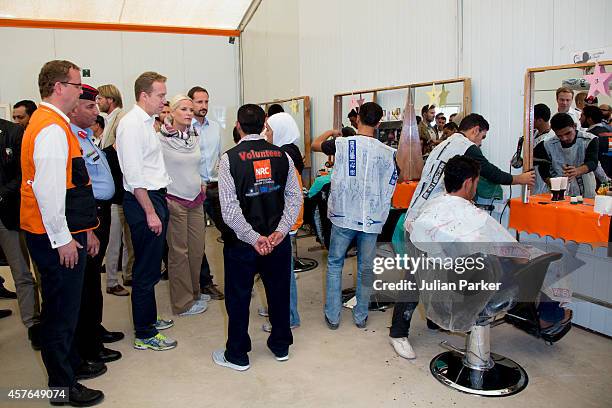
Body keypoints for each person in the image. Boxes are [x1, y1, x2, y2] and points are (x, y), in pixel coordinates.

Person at [388, 114, 535, 356]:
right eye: (482, 137)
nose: (481, 144)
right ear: (475, 131)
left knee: (433, 271)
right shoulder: (466, 146)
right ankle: (398, 332)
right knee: (416, 276)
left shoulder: (444, 143)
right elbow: (489, 171)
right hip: (428, 221)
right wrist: (518, 179)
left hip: (426, 216)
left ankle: (434, 320)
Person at [20, 60, 104, 406]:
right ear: (59, 88)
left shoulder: (51, 124)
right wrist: (64, 239)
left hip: (52, 231)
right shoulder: (51, 128)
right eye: (75, 84)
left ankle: (69, 368)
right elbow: (49, 191)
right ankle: (62, 386)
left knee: (63, 308)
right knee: (60, 313)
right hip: (53, 235)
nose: (80, 90)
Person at [213, 104, 302, 371]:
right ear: (265, 123)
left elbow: (228, 210)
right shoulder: (283, 156)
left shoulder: (229, 159)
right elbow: (295, 198)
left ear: (238, 126)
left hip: (243, 243)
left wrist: (253, 238)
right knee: (279, 292)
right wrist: (279, 232)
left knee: (239, 297)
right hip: (277, 241)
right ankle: (281, 346)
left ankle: (237, 355)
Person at [312, 102, 398, 329]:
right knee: (366, 268)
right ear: (379, 123)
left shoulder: (341, 144)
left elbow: (313, 145)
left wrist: (332, 131)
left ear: (357, 118)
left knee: (335, 262)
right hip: (371, 217)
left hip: (343, 214)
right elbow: (390, 186)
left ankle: (333, 315)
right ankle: (361, 316)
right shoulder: (388, 153)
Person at [117, 71, 177, 351]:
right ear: (144, 95)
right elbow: (133, 175)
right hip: (144, 201)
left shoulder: (146, 123)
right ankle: (144, 333)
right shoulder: (131, 125)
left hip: (154, 197)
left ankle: (149, 319)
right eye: (161, 95)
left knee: (152, 266)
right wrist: (151, 212)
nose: (164, 101)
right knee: (145, 269)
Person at [68, 84, 124, 365]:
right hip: (89, 214)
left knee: (92, 281)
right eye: (90, 106)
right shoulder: (71, 138)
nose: (96, 111)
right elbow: (77, 186)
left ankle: (95, 330)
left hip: (99, 211)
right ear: (74, 107)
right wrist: (89, 227)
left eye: (95, 105)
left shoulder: (86, 136)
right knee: (87, 281)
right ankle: (88, 344)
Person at [158, 95, 208, 316]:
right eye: (184, 109)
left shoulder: (194, 136)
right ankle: (182, 303)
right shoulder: (160, 138)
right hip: (174, 199)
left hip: (196, 199)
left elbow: (198, 164)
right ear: (172, 112)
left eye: (191, 109)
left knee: (197, 251)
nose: (189, 113)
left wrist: (202, 181)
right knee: (179, 254)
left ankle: (195, 292)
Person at [261, 112, 305, 332]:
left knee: (283, 275)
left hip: (283, 225)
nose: (265, 133)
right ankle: (283, 310)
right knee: (282, 273)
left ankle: (288, 317)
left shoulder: (281, 156)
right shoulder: (291, 151)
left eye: (269, 130)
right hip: (286, 222)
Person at [0, 117, 41, 349]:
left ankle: (38, 322)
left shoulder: (12, 132)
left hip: (17, 213)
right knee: (19, 273)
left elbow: (24, 173)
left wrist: (2, 194)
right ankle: (31, 322)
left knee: (28, 271)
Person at [188, 86, 225, 300]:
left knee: (230, 232)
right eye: (199, 102)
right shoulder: (184, 127)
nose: (203, 106)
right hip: (192, 190)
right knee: (197, 240)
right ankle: (205, 282)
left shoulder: (214, 128)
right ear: (191, 103)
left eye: (206, 102)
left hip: (214, 188)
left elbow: (220, 157)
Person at [534, 112, 598, 198]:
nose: (564, 138)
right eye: (559, 135)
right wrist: (551, 183)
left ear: (574, 126)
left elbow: (593, 162)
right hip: (559, 193)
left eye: (568, 133)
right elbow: (543, 169)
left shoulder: (589, 140)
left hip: (586, 192)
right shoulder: (546, 145)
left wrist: (577, 170)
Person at [581, 105, 612, 178]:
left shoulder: (588, 137)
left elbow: (592, 161)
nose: (579, 119)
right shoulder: (609, 133)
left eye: (582, 116)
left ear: (589, 119)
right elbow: (609, 154)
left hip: (596, 179)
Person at [533, 103, 553, 194]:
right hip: (533, 178)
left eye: (532, 119)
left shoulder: (549, 139)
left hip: (543, 180)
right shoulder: (534, 133)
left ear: (540, 120)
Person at [97, 84, 124, 149]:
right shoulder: (108, 119)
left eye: (99, 99)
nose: (97, 102)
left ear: (110, 100)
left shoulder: (121, 118)